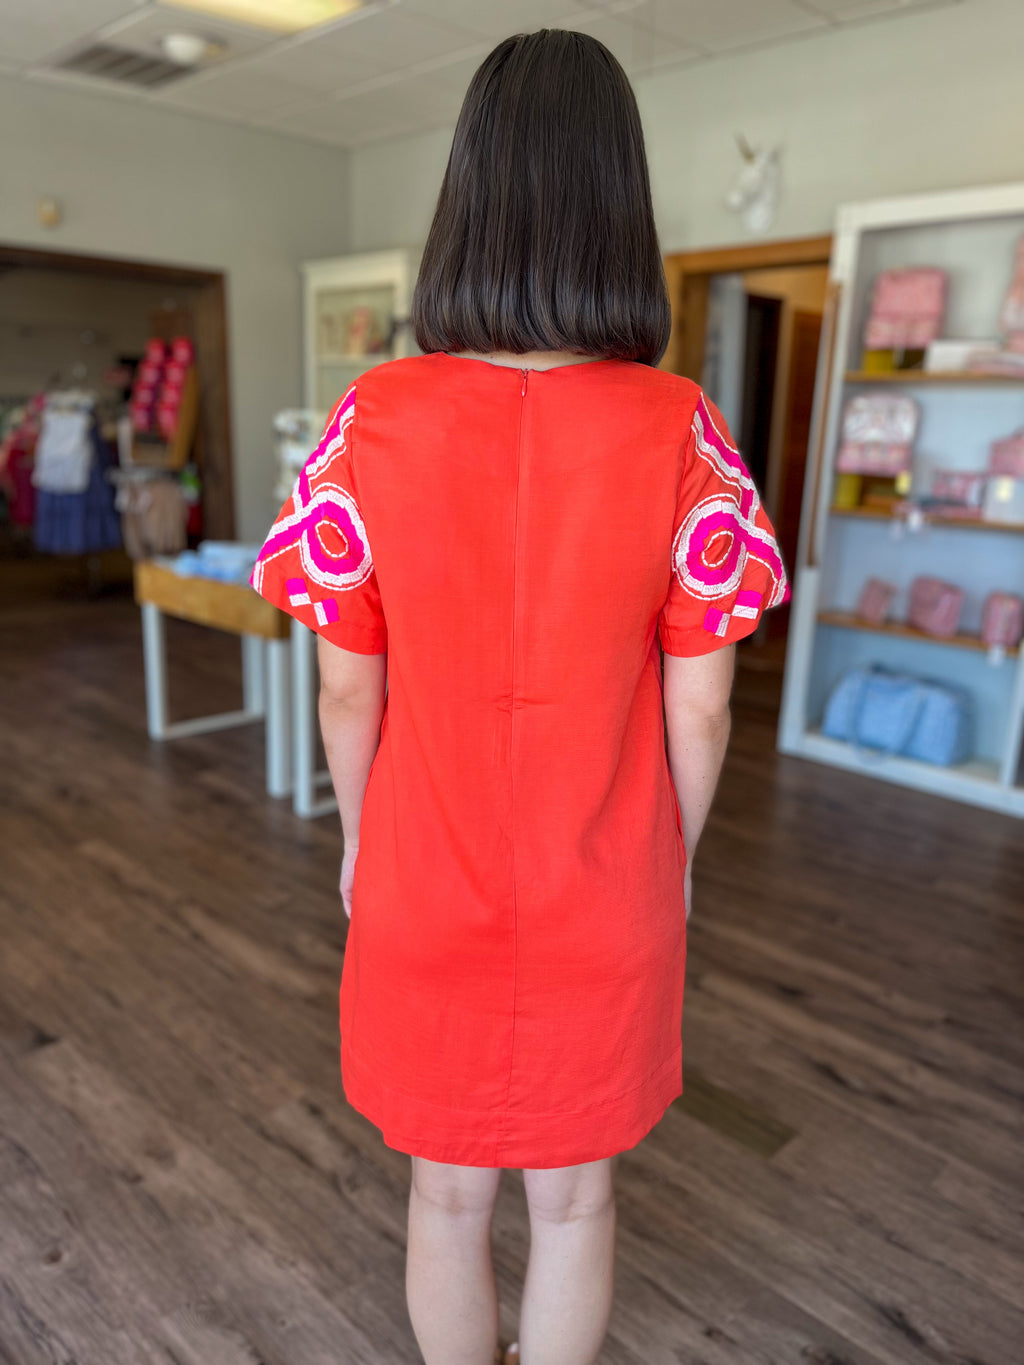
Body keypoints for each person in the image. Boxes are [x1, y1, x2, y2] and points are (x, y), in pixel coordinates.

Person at [250, 27, 787, 1365]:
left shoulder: (368, 421)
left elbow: (344, 692)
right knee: (578, 1199)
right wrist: (669, 859)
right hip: (605, 888)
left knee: (441, 1197)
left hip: (425, 886)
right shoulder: (684, 433)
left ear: (464, 202)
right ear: (624, 207)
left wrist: (369, 846)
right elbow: (704, 712)